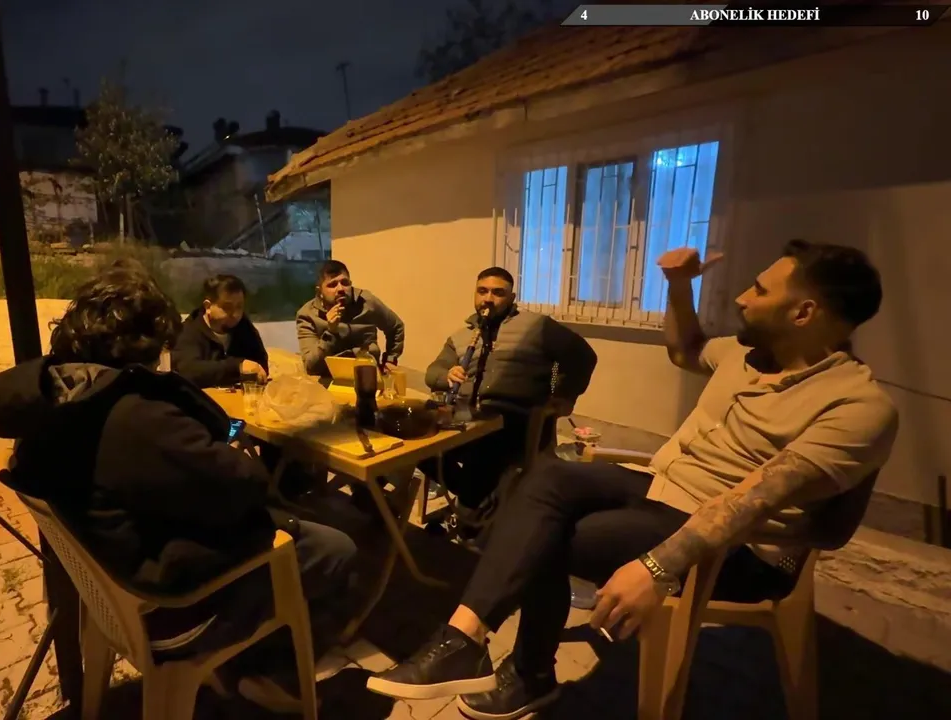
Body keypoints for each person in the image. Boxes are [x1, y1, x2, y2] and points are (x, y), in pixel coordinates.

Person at [366, 240, 898, 720]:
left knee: (546, 538)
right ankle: (463, 639)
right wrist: (678, 285)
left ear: (804, 313)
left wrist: (656, 566)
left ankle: (530, 673)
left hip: (740, 547)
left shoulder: (857, 407)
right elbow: (686, 348)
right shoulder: (747, 355)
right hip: (664, 488)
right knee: (547, 477)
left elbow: (752, 502)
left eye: (759, 290)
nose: (741, 298)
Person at [0, 264, 356, 712]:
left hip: (112, 579)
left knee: (297, 530)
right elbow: (245, 487)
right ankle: (267, 671)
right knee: (335, 548)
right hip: (168, 606)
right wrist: (237, 450)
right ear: (146, 343)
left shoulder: (55, 397)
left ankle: (251, 662)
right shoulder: (136, 418)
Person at [420, 267, 598, 536]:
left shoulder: (536, 326)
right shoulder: (461, 335)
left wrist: (563, 394)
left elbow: (582, 356)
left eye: (497, 293)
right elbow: (432, 372)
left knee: (482, 451)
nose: (488, 299)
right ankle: (479, 502)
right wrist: (447, 375)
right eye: (482, 291)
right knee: (416, 443)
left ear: (512, 297)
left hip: (516, 420)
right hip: (468, 418)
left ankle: (470, 516)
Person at [296, 260, 406, 378]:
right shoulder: (307, 315)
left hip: (367, 373)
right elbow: (311, 367)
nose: (341, 289)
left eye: (345, 283)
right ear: (320, 292)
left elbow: (396, 327)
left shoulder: (366, 302)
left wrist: (390, 359)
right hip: (329, 377)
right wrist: (331, 332)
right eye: (332, 285)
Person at [173, 274, 269, 387]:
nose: (235, 314)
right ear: (208, 306)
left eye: (239, 307)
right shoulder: (189, 331)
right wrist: (237, 366)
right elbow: (189, 372)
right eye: (227, 307)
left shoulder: (243, 326)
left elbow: (261, 365)